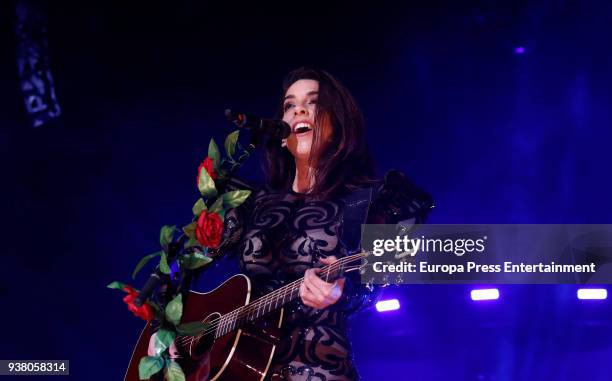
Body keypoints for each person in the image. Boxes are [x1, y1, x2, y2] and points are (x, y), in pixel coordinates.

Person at [150, 66, 434, 380]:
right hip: (238, 371)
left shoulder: (368, 199)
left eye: (313, 102)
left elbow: (375, 280)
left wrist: (344, 290)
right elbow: (181, 268)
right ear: (281, 135)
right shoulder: (249, 203)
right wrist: (164, 329)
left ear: (338, 124)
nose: (299, 109)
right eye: (289, 105)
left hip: (318, 369)